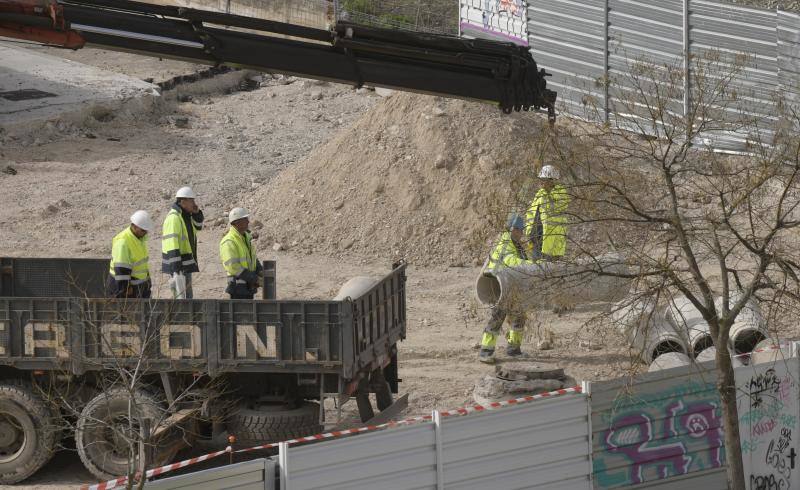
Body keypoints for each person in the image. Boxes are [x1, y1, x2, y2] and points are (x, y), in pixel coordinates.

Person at [478, 213, 536, 363]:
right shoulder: (505, 243)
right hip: (500, 286)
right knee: (498, 317)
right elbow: (510, 260)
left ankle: (514, 349)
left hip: (512, 286)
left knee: (519, 317)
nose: (522, 234)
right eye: (520, 230)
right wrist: (532, 266)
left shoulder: (514, 243)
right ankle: (486, 351)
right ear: (513, 229)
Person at [161, 186, 204, 299]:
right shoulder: (174, 218)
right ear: (183, 201)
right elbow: (172, 244)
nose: (194, 204)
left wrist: (196, 213)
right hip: (179, 266)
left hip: (185, 264)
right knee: (182, 298)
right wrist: (176, 269)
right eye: (192, 201)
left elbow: (198, 227)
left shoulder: (185, 216)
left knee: (186, 297)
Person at [525, 164, 569, 261]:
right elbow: (531, 212)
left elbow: (554, 209)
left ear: (552, 180)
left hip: (550, 244)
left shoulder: (561, 194)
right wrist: (528, 231)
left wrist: (547, 194)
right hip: (535, 239)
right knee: (534, 270)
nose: (541, 182)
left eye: (543, 179)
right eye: (540, 179)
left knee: (549, 272)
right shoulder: (540, 193)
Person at [108, 210, 154, 298]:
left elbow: (142, 265)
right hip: (125, 290)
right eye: (143, 230)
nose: (145, 233)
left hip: (138, 288)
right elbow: (121, 269)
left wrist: (147, 283)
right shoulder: (123, 242)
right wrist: (126, 289)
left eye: (146, 230)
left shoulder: (140, 239)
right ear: (134, 226)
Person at [219, 207, 263, 299]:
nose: (248, 222)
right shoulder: (229, 241)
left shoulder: (245, 237)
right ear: (237, 222)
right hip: (237, 288)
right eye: (245, 219)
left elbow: (252, 258)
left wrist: (260, 270)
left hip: (248, 287)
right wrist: (254, 279)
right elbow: (233, 267)